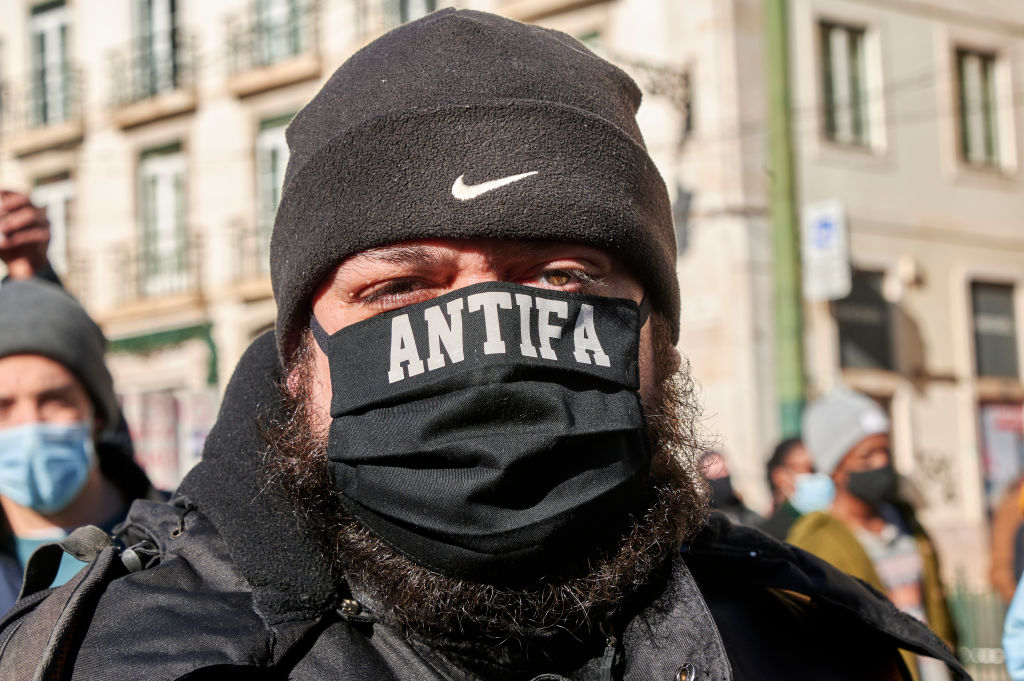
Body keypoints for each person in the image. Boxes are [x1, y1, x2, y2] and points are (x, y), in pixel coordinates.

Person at [0, 11, 966, 680]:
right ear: (299, 357)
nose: (486, 346)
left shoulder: (811, 646)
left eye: (560, 279)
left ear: (660, 338)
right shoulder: (112, 659)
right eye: (400, 288)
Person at [0, 192, 158, 613]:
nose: (29, 423)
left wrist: (35, 272)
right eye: (3, 407)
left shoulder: (184, 545)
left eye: (54, 400)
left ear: (97, 414)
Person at [788, 387, 958, 681]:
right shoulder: (816, 540)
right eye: (867, 456)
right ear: (836, 468)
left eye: (885, 451)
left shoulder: (907, 521)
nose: (881, 463)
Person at [759, 437, 834, 541]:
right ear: (781, 477)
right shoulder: (768, 537)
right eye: (810, 469)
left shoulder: (833, 525)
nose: (819, 476)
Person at [700, 450, 762, 526]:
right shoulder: (701, 521)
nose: (721, 478)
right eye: (714, 475)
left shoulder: (750, 517)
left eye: (723, 471)